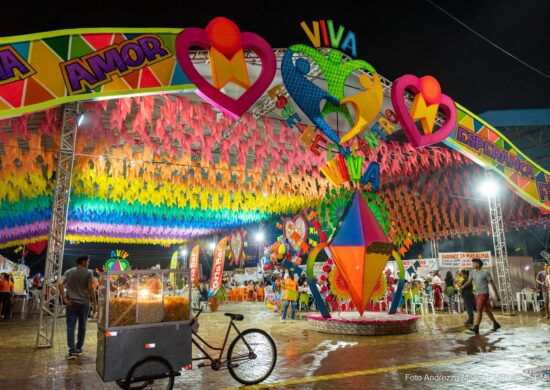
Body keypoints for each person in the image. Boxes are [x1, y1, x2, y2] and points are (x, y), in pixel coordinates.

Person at [59, 255, 97, 359]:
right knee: (82, 326)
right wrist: (95, 304)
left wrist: (64, 299)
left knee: (70, 326)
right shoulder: (89, 272)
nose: (88, 263)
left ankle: (72, 350)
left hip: (71, 303)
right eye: (88, 261)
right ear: (84, 262)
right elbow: (90, 289)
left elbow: (60, 284)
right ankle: (79, 347)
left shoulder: (68, 271)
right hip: (84, 303)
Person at [459, 258, 501, 334]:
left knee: (479, 310)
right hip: (477, 294)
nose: (472, 265)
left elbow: (492, 284)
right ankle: (495, 324)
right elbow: (469, 282)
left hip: (484, 294)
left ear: (478, 264)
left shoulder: (485, 273)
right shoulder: (472, 273)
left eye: (474, 263)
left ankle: (476, 327)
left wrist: (497, 295)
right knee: (486, 310)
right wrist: (462, 287)